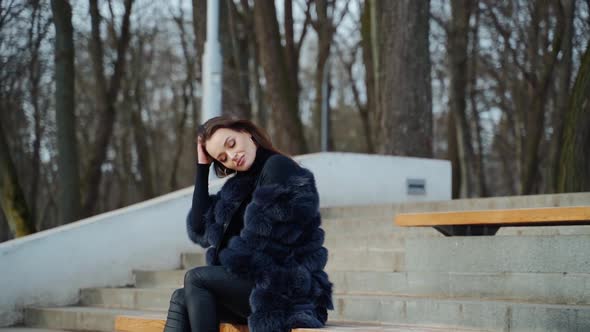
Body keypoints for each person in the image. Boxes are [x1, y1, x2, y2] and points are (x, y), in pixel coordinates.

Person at [163, 116, 333, 332]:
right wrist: (202, 168)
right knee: (181, 297)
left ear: (245, 131)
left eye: (231, 144)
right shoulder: (237, 188)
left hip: (287, 288)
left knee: (196, 279)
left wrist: (213, 274)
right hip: (256, 286)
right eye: (223, 158)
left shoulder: (278, 167)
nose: (233, 157)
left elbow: (265, 243)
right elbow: (199, 226)